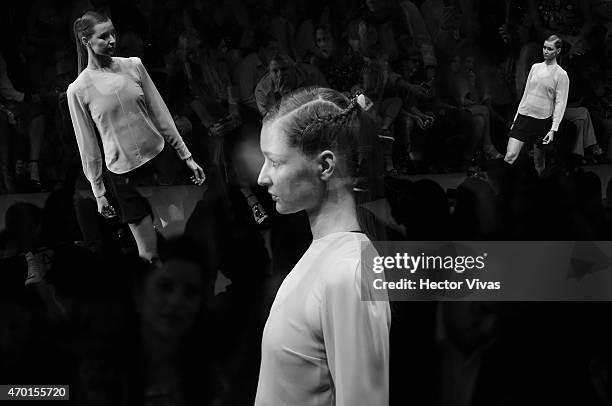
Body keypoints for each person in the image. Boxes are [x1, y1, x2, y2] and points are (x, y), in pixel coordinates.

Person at [255, 87, 391, 405]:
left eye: (275, 162)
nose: (262, 177)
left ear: (325, 166)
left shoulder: (349, 270)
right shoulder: (325, 257)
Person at [67, 11, 205, 262]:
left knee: (177, 240)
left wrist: (186, 156)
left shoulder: (133, 65)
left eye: (113, 34)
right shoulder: (77, 89)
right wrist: (98, 192)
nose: (112, 40)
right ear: (85, 40)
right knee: (148, 253)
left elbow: (161, 114)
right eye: (104, 36)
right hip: (123, 173)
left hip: (160, 161)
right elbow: (87, 146)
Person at [504, 34, 570, 174]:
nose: (546, 51)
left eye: (550, 49)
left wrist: (553, 129)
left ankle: (541, 191)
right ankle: (503, 187)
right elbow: (526, 94)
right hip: (524, 116)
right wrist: (516, 119)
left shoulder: (561, 75)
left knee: (539, 162)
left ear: (557, 51)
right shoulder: (535, 67)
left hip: (543, 121)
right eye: (544, 48)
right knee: (510, 156)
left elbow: (560, 103)